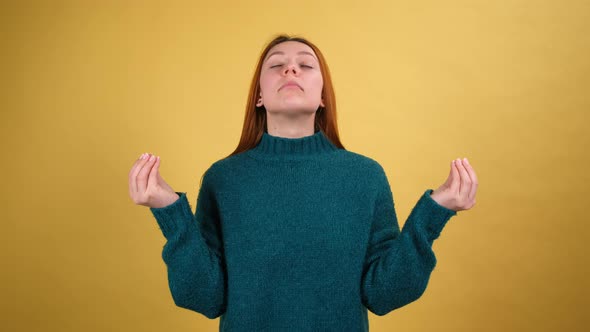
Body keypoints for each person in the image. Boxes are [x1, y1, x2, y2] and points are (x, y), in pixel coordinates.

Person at [128, 35, 478, 331]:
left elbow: (384, 294)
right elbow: (204, 297)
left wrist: (435, 213)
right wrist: (168, 209)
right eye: (276, 64)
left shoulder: (365, 176)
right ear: (259, 97)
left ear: (323, 96)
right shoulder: (223, 179)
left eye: (306, 65)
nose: (290, 69)